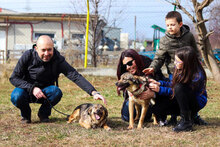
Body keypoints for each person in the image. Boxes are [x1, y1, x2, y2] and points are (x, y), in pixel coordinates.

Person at [10, 35, 106, 124]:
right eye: (43, 50)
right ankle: (26, 115)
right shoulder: (28, 56)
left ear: (53, 48)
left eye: (49, 50)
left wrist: (93, 92)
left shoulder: (58, 59)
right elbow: (14, 78)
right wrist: (32, 88)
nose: (46, 53)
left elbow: (75, 75)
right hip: (26, 90)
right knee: (17, 95)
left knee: (56, 92)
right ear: (36, 48)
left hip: (46, 93)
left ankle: (44, 114)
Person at [143, 11, 206, 125]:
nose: (169, 28)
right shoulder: (164, 41)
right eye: (167, 25)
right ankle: (174, 118)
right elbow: (159, 57)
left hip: (190, 71)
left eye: (172, 25)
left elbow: (195, 52)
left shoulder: (189, 36)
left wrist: (199, 64)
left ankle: (192, 116)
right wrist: (152, 68)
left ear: (180, 24)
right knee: (175, 93)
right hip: (174, 71)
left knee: (189, 93)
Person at [148, 46, 207, 132]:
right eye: (175, 60)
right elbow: (174, 84)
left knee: (179, 87)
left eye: (178, 61)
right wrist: (160, 83)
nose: (175, 63)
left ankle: (186, 122)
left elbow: (179, 90)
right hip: (183, 98)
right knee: (156, 108)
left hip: (196, 102)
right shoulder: (180, 68)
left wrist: (160, 89)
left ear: (187, 62)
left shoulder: (197, 75)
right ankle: (191, 117)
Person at [116, 49, 166, 123]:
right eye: (125, 65)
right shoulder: (125, 70)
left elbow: (160, 82)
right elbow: (123, 84)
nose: (127, 67)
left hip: (152, 98)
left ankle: (152, 113)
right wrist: (128, 92)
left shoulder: (148, 64)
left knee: (152, 107)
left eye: (130, 63)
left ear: (136, 59)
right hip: (135, 98)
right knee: (127, 116)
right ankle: (144, 115)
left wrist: (153, 93)